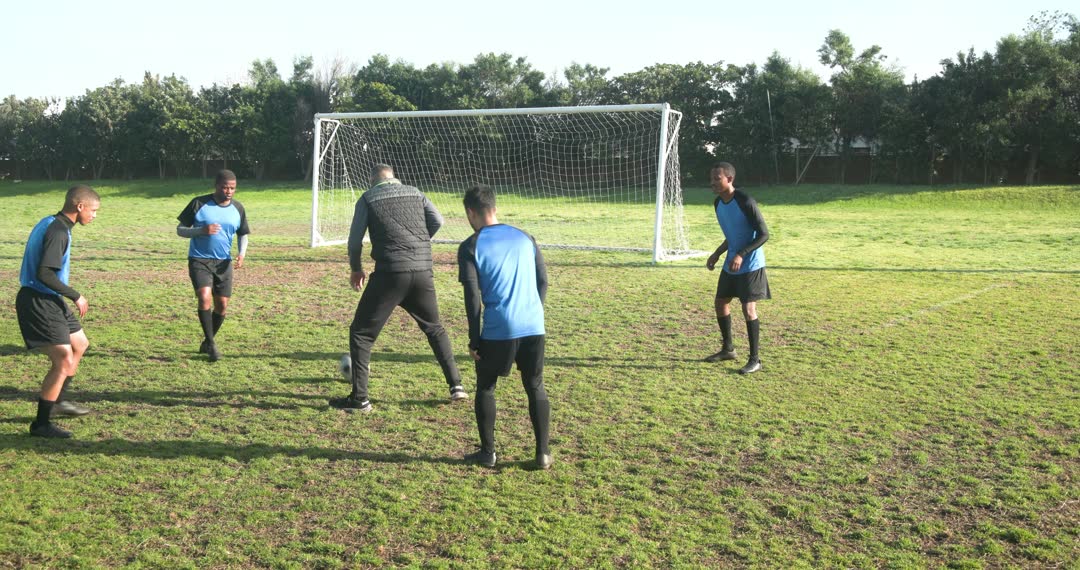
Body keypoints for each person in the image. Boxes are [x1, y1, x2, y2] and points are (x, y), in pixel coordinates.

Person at [329, 163, 466, 413]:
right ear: (394, 178)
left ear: (373, 180)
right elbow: (437, 220)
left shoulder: (368, 197)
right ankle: (456, 385)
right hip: (422, 272)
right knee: (434, 328)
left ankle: (360, 400)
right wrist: (417, 242)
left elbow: (354, 241)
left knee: (361, 333)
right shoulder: (415, 192)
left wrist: (356, 268)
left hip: (390, 274)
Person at [458, 185, 551, 469]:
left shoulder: (470, 246)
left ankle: (488, 453)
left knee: (486, 387)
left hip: (499, 328)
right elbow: (543, 281)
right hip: (534, 324)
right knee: (535, 385)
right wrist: (533, 311)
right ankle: (543, 454)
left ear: (470, 213)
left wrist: (474, 339)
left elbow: (472, 297)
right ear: (495, 208)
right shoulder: (525, 237)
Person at [16, 185, 101, 438]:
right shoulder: (58, 232)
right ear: (79, 206)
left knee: (79, 344)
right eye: (93, 210)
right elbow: (44, 273)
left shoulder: (50, 221)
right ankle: (41, 424)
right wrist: (76, 295)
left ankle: (59, 401)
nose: (94, 216)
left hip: (50, 298)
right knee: (63, 359)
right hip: (38, 299)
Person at [176, 169, 250, 362]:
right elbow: (180, 230)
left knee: (222, 305)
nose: (229, 191)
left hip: (223, 263)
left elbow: (243, 233)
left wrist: (241, 253)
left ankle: (207, 342)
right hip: (199, 259)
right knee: (204, 296)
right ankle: (211, 344)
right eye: (225, 187)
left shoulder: (238, 208)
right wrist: (201, 230)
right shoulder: (199, 203)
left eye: (232, 188)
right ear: (216, 186)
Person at [705, 162, 770, 374]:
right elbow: (733, 234)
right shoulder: (718, 203)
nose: (713, 182)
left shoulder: (745, 201)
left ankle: (755, 360)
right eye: (711, 178)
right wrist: (717, 253)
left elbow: (764, 234)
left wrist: (742, 254)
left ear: (729, 179)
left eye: (717, 178)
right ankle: (728, 349)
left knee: (748, 309)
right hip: (731, 262)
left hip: (750, 263)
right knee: (721, 302)